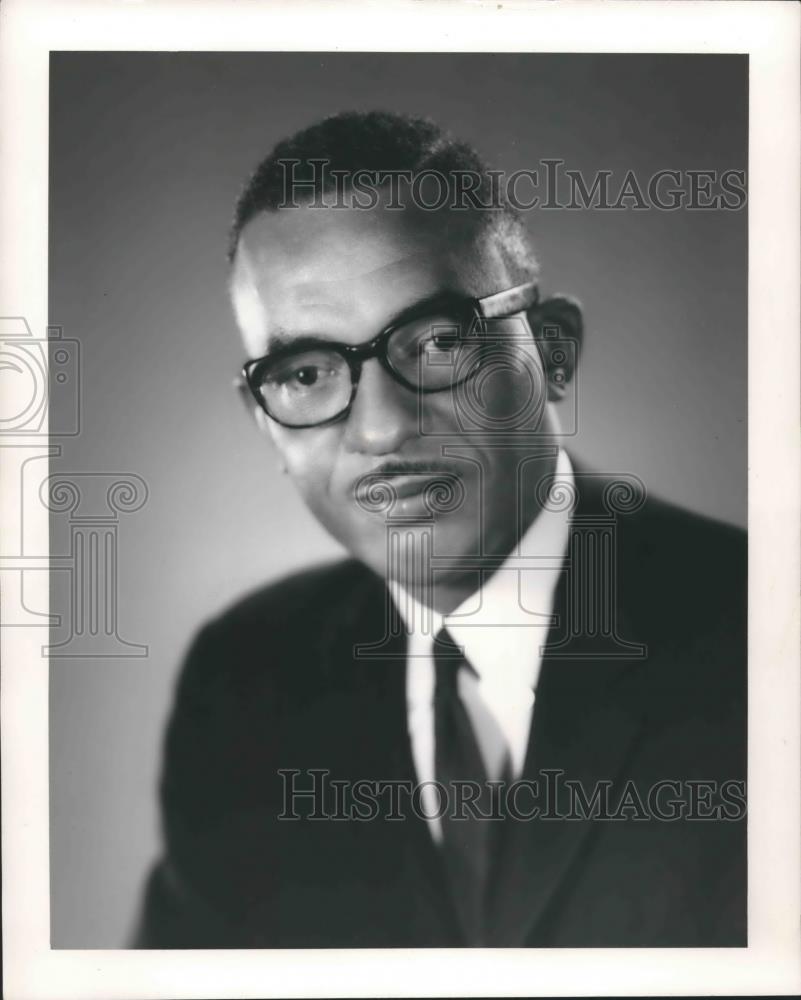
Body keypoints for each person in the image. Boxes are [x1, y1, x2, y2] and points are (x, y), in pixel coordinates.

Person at [134, 111, 746, 949]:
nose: (381, 428)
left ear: (552, 352)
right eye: (306, 372)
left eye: (435, 341)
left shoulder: (763, 636)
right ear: (265, 421)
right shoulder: (243, 682)